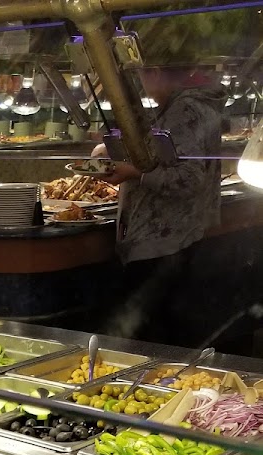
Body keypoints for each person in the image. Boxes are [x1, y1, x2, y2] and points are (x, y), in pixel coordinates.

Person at [94, 66, 224, 345]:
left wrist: (133, 173)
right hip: (175, 241)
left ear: (154, 72)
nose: (140, 82)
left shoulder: (185, 110)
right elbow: (163, 156)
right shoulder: (186, 106)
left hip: (164, 245)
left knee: (144, 341)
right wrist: (116, 150)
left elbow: (188, 180)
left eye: (141, 74)